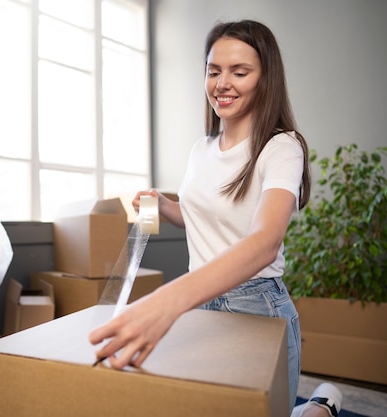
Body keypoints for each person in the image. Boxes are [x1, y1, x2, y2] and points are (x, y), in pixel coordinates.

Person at [89, 19, 342, 416]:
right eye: (214, 71)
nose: (223, 83)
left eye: (240, 72)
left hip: (257, 304)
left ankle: (321, 407)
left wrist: (167, 302)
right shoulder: (200, 149)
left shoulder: (282, 148)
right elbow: (202, 218)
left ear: (265, 78)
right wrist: (164, 206)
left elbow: (264, 242)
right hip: (203, 307)